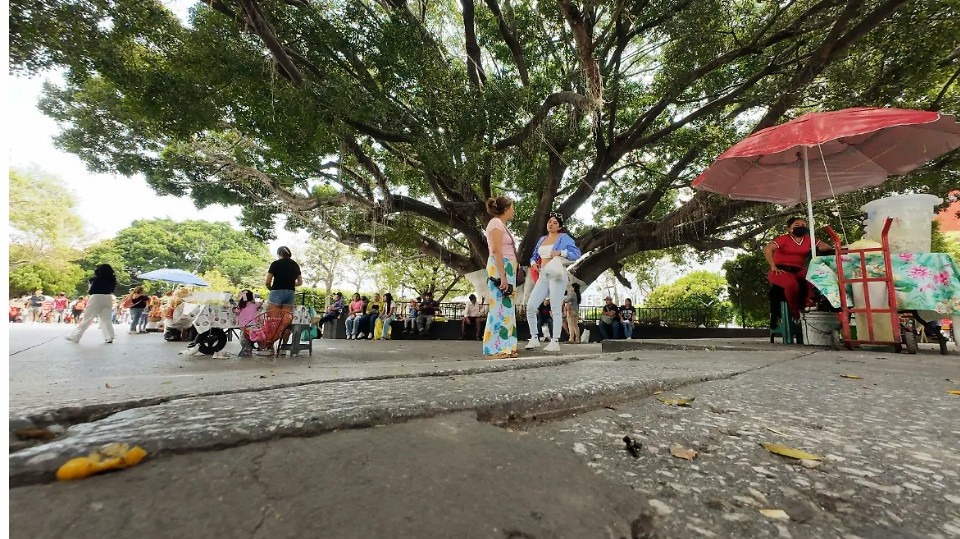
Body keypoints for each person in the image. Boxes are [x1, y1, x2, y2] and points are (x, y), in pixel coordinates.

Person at [525, 211, 582, 353]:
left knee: (555, 308)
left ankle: (555, 341)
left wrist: (561, 252)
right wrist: (533, 263)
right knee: (531, 306)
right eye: (549, 221)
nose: (551, 224)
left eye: (555, 222)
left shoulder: (564, 238)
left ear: (560, 226)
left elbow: (576, 254)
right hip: (543, 274)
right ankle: (534, 337)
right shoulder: (542, 239)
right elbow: (534, 255)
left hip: (557, 275)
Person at [763, 217, 832, 324]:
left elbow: (826, 246)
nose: (801, 227)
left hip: (799, 269)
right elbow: (767, 249)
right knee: (791, 284)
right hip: (780, 269)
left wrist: (814, 249)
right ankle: (795, 313)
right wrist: (773, 266)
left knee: (813, 278)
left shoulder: (809, 239)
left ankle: (810, 305)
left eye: (803, 225)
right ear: (789, 229)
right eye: (797, 225)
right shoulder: (783, 239)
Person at [482, 196, 519, 359]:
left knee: (507, 308)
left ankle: (507, 346)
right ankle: (493, 348)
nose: (513, 210)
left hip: (507, 267)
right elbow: (496, 250)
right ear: (506, 208)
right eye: (512, 207)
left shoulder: (501, 225)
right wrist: (503, 276)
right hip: (500, 267)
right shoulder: (496, 223)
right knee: (498, 307)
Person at [66, 264, 117, 344]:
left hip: (96, 298)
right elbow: (112, 290)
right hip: (108, 298)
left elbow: (91, 291)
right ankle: (109, 336)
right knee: (106, 319)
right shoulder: (112, 279)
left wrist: (90, 284)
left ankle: (75, 337)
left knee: (87, 318)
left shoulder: (96, 279)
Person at [233, 290, 260, 357]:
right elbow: (260, 304)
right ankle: (251, 346)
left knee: (244, 337)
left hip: (244, 326)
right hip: (254, 326)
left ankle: (247, 350)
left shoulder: (241, 305)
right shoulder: (255, 304)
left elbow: (236, 312)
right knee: (249, 336)